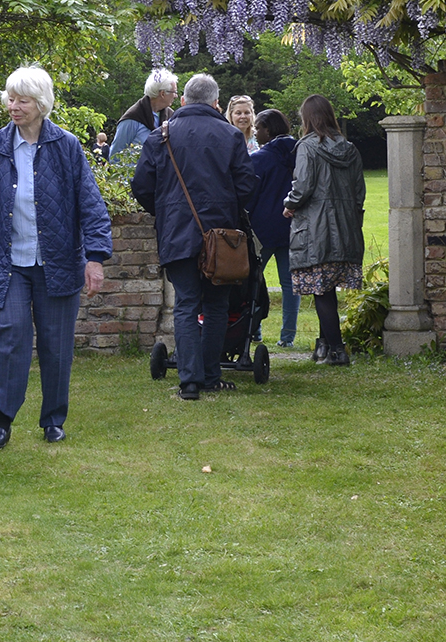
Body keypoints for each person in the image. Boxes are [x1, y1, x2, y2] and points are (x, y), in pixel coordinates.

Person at [0, 66, 112, 449]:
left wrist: (94, 258)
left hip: (58, 262)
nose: (14, 106)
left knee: (56, 343)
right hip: (8, 262)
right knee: (11, 336)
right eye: (11, 99)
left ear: (41, 104)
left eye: (23, 100)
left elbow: (91, 206)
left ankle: (53, 420)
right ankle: (3, 420)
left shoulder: (66, 146)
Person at [131, 73, 257, 400]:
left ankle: (189, 381)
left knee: (185, 304)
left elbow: (141, 186)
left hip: (176, 232)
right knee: (216, 304)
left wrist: (166, 210)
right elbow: (246, 186)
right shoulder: (230, 136)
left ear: (184, 100)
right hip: (222, 235)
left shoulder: (161, 135)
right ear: (217, 102)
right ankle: (211, 375)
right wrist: (227, 212)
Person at [282, 94, 366, 366]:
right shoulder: (350, 148)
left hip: (316, 228)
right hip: (345, 227)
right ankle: (324, 346)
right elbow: (359, 192)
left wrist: (288, 204)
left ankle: (338, 351)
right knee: (327, 288)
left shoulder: (307, 147)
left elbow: (303, 186)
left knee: (322, 290)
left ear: (308, 118)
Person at [246, 109, 300, 347]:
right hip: (292, 227)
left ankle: (253, 330)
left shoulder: (260, 158)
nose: (255, 132)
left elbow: (249, 195)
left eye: (258, 128)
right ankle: (287, 336)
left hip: (263, 228)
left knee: (253, 280)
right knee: (290, 284)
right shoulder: (300, 153)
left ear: (269, 129)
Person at [109, 68, 178, 160]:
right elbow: (115, 155)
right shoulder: (132, 118)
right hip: (134, 173)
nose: (176, 96)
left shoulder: (171, 116)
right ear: (162, 94)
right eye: (174, 92)